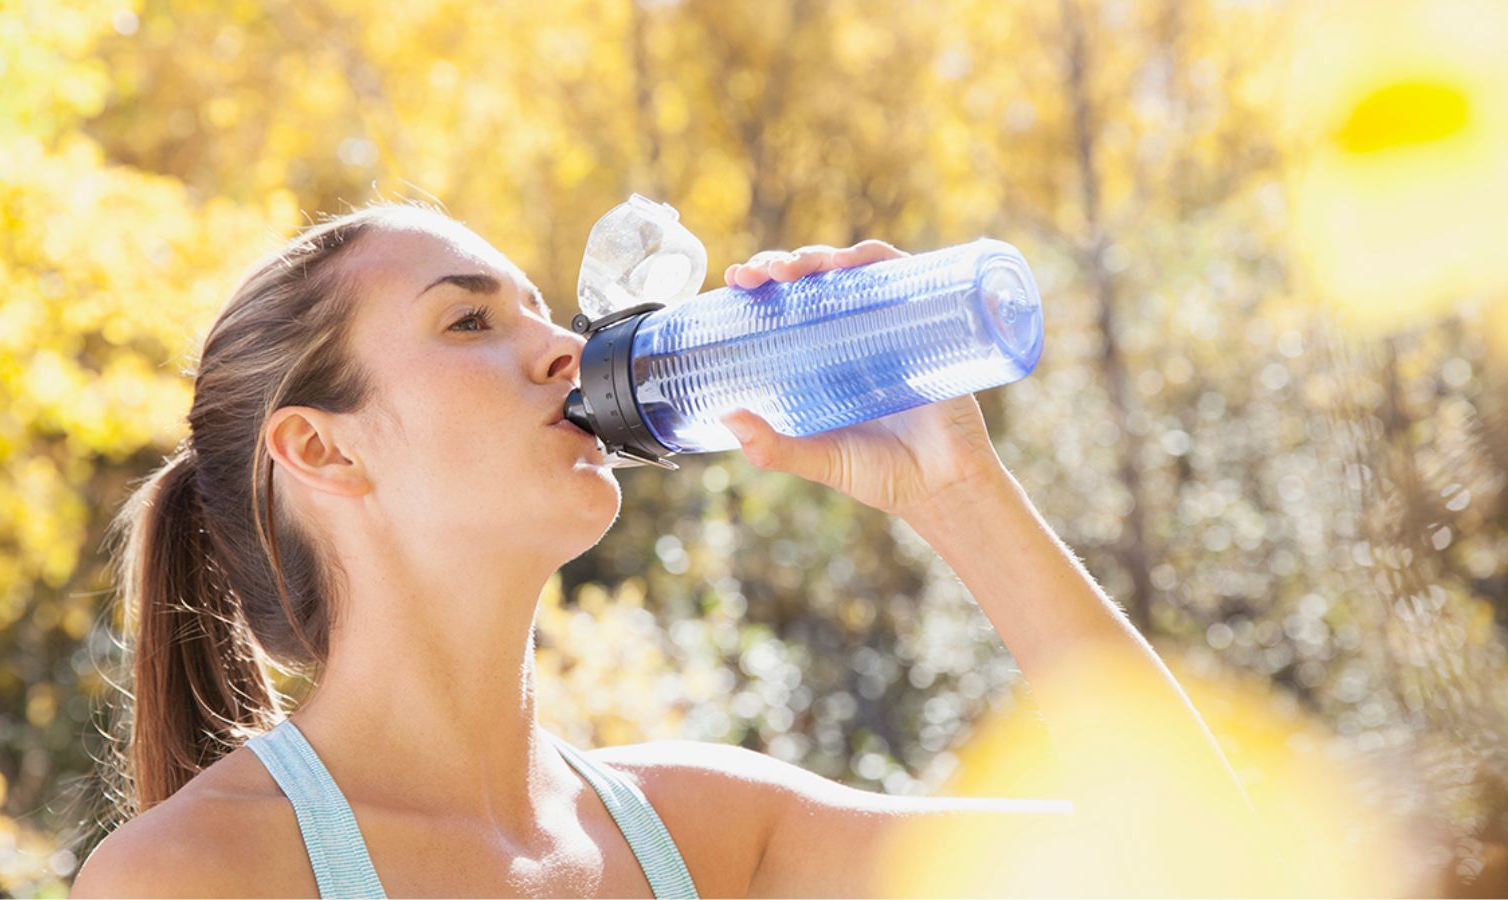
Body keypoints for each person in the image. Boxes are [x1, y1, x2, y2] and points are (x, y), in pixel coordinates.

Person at [69, 202, 1275, 898]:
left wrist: (957, 488)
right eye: (471, 319)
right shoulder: (195, 876)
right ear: (322, 451)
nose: (561, 349)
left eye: (548, 313)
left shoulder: (707, 832)